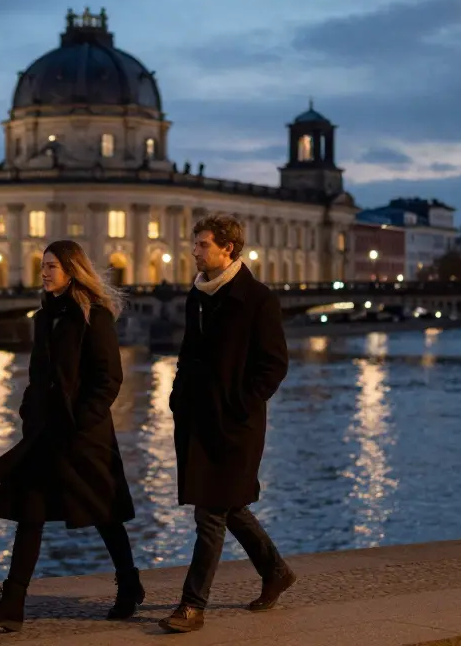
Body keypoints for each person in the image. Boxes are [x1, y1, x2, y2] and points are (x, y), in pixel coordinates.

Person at [0, 240, 143, 632]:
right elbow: (38, 374)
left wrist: (82, 421)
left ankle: (129, 584)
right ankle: (12, 603)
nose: (43, 273)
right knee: (30, 513)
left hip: (84, 436)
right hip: (45, 433)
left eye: (50, 266)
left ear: (71, 269)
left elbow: (108, 378)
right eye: (42, 266)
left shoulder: (94, 316)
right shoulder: (44, 316)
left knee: (104, 514)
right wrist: (29, 410)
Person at [159, 214, 295, 634]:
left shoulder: (257, 299)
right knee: (229, 504)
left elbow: (274, 365)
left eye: (201, 244)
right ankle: (275, 571)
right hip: (199, 418)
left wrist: (242, 403)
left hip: (236, 423)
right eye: (195, 244)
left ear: (227, 249)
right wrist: (178, 395)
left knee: (210, 512)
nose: (194, 251)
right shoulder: (197, 295)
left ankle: (192, 605)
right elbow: (188, 352)